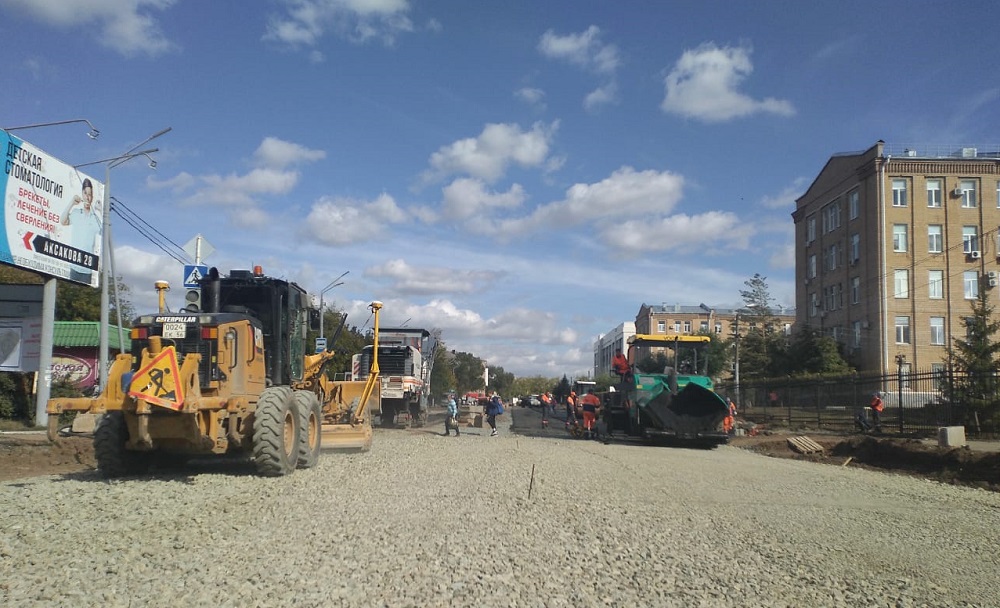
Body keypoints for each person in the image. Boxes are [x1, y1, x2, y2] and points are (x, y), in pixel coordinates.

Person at [61, 178, 102, 284]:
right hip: (73, 266)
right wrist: (71, 203)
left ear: (92, 197)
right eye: (85, 193)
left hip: (87, 270)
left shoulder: (95, 219)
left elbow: (104, 234)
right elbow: (63, 221)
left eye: (90, 195)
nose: (87, 197)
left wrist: (101, 211)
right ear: (82, 194)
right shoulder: (76, 213)